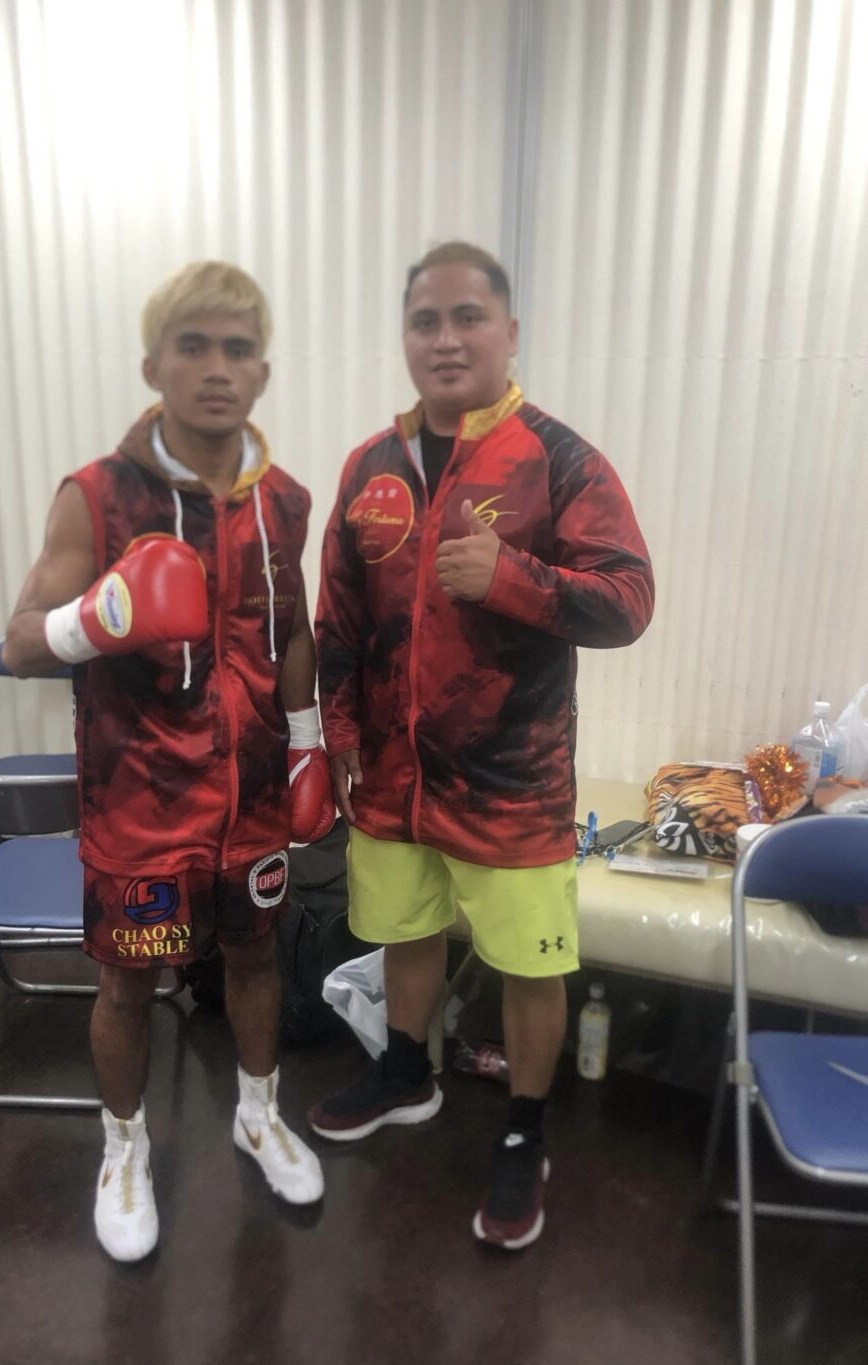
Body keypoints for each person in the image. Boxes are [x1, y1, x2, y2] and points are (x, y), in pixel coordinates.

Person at [309, 241, 654, 1250]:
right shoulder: (369, 466)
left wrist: (512, 578)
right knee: (405, 931)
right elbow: (335, 616)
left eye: (468, 318)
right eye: (426, 321)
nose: (446, 338)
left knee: (526, 966)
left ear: (510, 333)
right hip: (389, 778)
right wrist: (334, 734)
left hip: (510, 782)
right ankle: (406, 1069)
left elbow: (628, 602)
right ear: (406, 338)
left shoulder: (557, 457)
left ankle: (523, 1134)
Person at [3, 260, 334, 1262]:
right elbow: (19, 640)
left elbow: (292, 637)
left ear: (263, 373)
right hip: (141, 806)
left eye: (237, 349)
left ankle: (257, 1112)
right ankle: (121, 1147)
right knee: (127, 988)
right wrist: (100, 615)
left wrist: (312, 747)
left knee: (253, 962)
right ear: (155, 365)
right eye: (194, 345)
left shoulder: (286, 502)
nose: (216, 367)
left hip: (254, 802)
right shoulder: (98, 496)